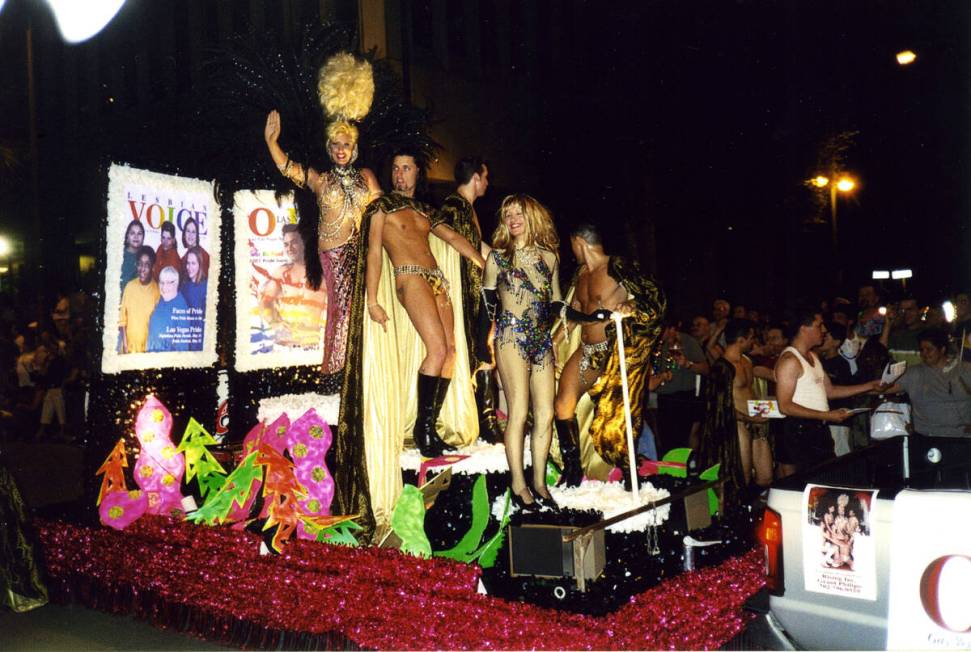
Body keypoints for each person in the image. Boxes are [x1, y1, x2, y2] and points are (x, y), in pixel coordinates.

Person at [337, 149, 483, 537]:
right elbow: (372, 254)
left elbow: (451, 236)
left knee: (451, 353)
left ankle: (430, 422)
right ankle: (423, 427)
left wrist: (482, 262)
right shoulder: (381, 207)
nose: (401, 174)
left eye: (407, 168)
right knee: (436, 350)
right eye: (396, 168)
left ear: (417, 171)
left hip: (437, 278)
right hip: (410, 277)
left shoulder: (424, 210)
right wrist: (372, 299)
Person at [264, 53, 383, 374]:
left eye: (346, 144)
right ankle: (337, 373)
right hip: (334, 252)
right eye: (335, 145)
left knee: (366, 310)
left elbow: (387, 212)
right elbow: (289, 168)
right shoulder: (321, 179)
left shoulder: (368, 178)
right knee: (343, 312)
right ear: (329, 149)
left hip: (366, 253)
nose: (341, 149)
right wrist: (272, 142)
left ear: (354, 148)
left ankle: (366, 374)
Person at [555, 222, 666, 487]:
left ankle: (629, 473)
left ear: (579, 241)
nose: (572, 251)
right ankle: (572, 469)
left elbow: (654, 297)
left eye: (572, 246)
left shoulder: (619, 267)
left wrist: (632, 304)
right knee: (563, 403)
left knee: (617, 418)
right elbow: (571, 316)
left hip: (616, 352)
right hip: (587, 351)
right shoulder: (581, 275)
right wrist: (554, 341)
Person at [436, 156, 501, 442]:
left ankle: (486, 421)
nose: (487, 182)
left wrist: (503, 265)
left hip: (475, 291)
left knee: (485, 353)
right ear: (476, 177)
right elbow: (459, 249)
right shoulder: (456, 206)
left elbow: (477, 246)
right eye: (485, 177)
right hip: (468, 293)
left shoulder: (464, 207)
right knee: (483, 353)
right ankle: (485, 423)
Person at [775, 310, 883, 477]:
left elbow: (830, 391)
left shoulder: (813, 356)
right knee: (813, 481)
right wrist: (825, 415)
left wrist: (869, 386)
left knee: (827, 476)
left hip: (818, 428)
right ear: (804, 328)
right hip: (800, 430)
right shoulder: (790, 360)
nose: (824, 330)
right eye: (819, 325)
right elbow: (784, 406)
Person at [698, 319, 770, 503]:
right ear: (740, 339)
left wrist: (766, 409)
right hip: (737, 425)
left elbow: (751, 392)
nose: (753, 342)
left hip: (756, 422)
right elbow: (720, 406)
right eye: (750, 338)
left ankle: (751, 506)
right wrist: (747, 418)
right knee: (742, 478)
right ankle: (740, 515)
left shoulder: (747, 361)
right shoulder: (722, 367)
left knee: (765, 476)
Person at [883, 328, 971, 437]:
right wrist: (864, 388)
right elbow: (884, 387)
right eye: (922, 350)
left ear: (942, 349)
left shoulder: (964, 370)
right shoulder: (914, 373)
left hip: (961, 437)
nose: (924, 353)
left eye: (929, 349)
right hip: (927, 437)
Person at [258, 224, 327, 350]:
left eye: (294, 242)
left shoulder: (324, 274)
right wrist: (277, 325)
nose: (289, 248)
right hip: (284, 347)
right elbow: (264, 303)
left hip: (313, 346)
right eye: (286, 244)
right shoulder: (282, 273)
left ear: (305, 242)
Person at [654, 318, 709, 453]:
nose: (659, 333)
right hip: (663, 397)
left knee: (682, 439)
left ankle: (684, 469)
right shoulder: (656, 344)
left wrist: (687, 364)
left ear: (672, 329)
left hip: (683, 398)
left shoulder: (688, 342)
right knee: (665, 439)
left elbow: (705, 369)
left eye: (663, 330)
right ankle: (671, 471)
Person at [818, 322, 857, 456]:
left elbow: (842, 390)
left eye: (826, 338)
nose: (822, 340)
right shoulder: (819, 361)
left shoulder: (841, 364)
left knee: (839, 456)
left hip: (838, 418)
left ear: (836, 342)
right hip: (824, 418)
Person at [118, 246, 160, 354]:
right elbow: (122, 319)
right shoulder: (129, 287)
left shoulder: (158, 291)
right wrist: (126, 347)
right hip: (128, 349)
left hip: (147, 350)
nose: (142, 268)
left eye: (147, 265)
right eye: (140, 264)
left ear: (153, 267)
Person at [147, 266, 191, 352]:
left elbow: (182, 350)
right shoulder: (161, 299)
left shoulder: (182, 310)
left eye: (168, 283)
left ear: (176, 283)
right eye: (162, 282)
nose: (164, 287)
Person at [119, 220, 145, 296]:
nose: (136, 237)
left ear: (143, 237)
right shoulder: (119, 255)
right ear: (127, 236)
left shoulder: (146, 255)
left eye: (139, 233)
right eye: (132, 233)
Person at [180, 246, 207, 313]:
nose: (189, 267)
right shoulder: (183, 285)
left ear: (199, 265)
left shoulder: (206, 287)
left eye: (193, 263)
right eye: (188, 263)